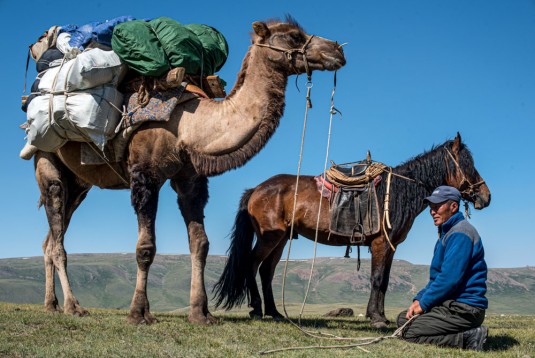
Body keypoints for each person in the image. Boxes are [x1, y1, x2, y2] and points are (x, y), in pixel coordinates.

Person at [396, 185, 488, 351]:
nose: (432, 211)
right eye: (431, 207)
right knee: (403, 320)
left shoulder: (461, 233)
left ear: (453, 207)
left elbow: (449, 279)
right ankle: (462, 332)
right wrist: (419, 299)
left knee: (409, 332)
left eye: (437, 206)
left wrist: (424, 304)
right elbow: (437, 277)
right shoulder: (447, 234)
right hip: (449, 305)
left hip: (464, 308)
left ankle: (469, 337)